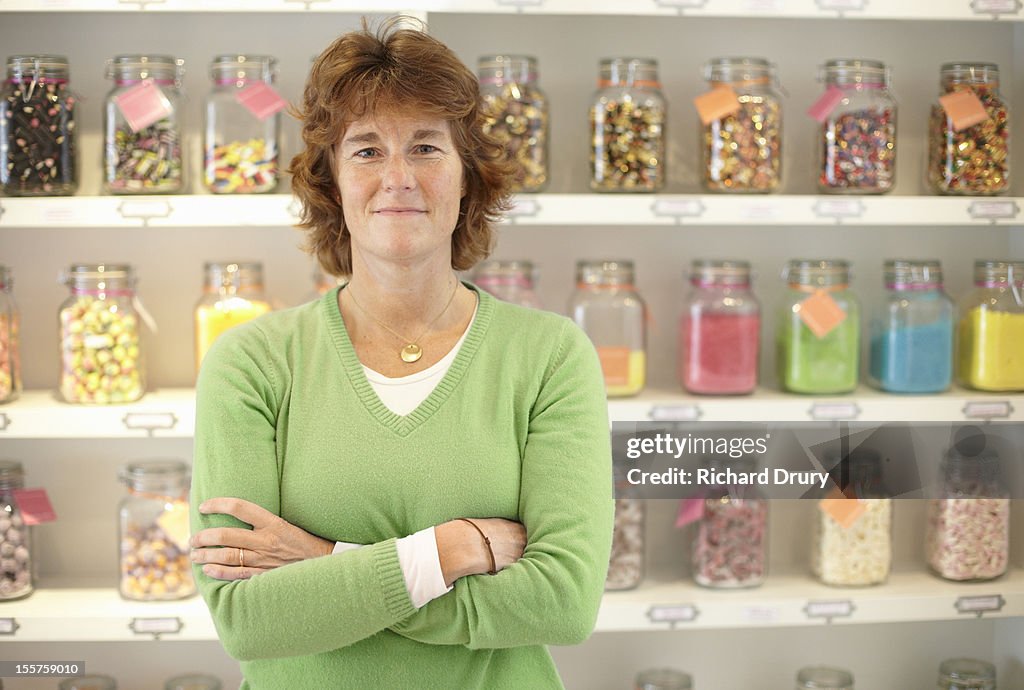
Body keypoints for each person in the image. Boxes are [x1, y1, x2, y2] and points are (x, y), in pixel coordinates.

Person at [188, 16, 614, 689]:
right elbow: (249, 621)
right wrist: (451, 550)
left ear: (468, 176)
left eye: (424, 147)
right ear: (330, 181)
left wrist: (329, 561)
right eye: (365, 150)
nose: (398, 177)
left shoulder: (550, 356)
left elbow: (562, 603)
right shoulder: (252, 363)